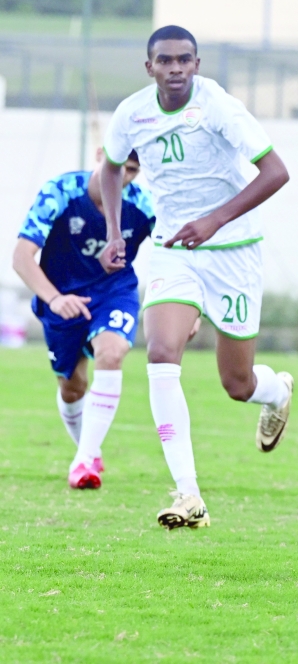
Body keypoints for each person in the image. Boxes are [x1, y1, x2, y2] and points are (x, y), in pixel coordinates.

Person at [99, 25, 294, 529]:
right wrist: (115, 232)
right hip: (174, 250)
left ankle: (275, 392)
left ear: (197, 64)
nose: (176, 68)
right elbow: (111, 168)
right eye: (165, 61)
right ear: (150, 68)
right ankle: (189, 494)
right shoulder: (132, 113)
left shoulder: (219, 107)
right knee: (162, 352)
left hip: (234, 252)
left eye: (185, 60)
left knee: (236, 382)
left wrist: (214, 220)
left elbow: (276, 172)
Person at [13, 150, 160, 489]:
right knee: (72, 386)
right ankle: (87, 451)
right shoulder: (61, 192)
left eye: (133, 171)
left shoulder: (143, 205)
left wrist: (188, 304)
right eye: (118, 166)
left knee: (112, 352)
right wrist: (54, 298)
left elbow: (173, 252)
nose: (123, 177)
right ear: (100, 156)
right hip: (62, 296)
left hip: (113, 293)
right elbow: (21, 256)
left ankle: (84, 459)